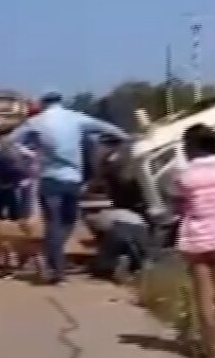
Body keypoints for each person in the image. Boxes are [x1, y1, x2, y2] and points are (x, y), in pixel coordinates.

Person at [7, 92, 129, 284]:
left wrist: (25, 155)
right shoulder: (76, 118)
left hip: (49, 180)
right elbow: (109, 129)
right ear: (60, 102)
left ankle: (55, 264)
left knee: (52, 223)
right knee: (69, 222)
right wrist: (126, 140)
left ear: (43, 103)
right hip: (72, 180)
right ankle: (55, 259)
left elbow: (9, 141)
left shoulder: (36, 122)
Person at [171, 123, 215, 358]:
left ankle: (213, 353)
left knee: (204, 299)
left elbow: (178, 207)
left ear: (190, 146)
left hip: (196, 238)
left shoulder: (184, 175)